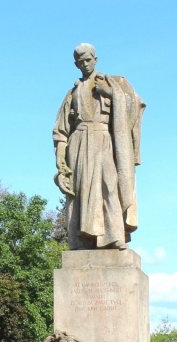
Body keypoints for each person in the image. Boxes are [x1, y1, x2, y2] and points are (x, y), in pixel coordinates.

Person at [53, 43, 145, 250]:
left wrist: (112, 94)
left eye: (88, 60)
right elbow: (61, 130)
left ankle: (114, 236)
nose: (84, 65)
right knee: (79, 192)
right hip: (78, 143)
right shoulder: (72, 92)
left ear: (95, 59)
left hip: (104, 140)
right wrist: (61, 161)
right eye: (80, 62)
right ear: (76, 64)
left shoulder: (111, 83)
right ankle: (82, 241)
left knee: (109, 186)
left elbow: (134, 105)